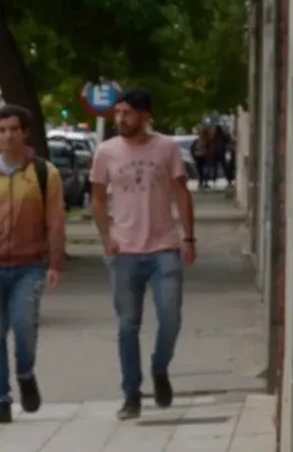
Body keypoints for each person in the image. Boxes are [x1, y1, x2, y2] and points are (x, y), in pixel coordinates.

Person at [91, 89, 196, 420]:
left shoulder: (166, 148)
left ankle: (160, 368)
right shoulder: (106, 151)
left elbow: (181, 193)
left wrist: (189, 237)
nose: (121, 119)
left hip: (164, 246)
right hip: (124, 250)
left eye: (128, 113)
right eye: (118, 112)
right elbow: (97, 198)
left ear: (145, 116)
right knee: (127, 325)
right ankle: (131, 394)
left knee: (171, 317)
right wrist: (105, 236)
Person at [0, 105, 65, 424]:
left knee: (25, 324)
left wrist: (55, 262)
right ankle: (1, 399)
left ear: (24, 132)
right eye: (1, 130)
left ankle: (26, 375)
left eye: (13, 129)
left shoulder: (44, 173)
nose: (7, 136)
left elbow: (55, 221)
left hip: (29, 265)